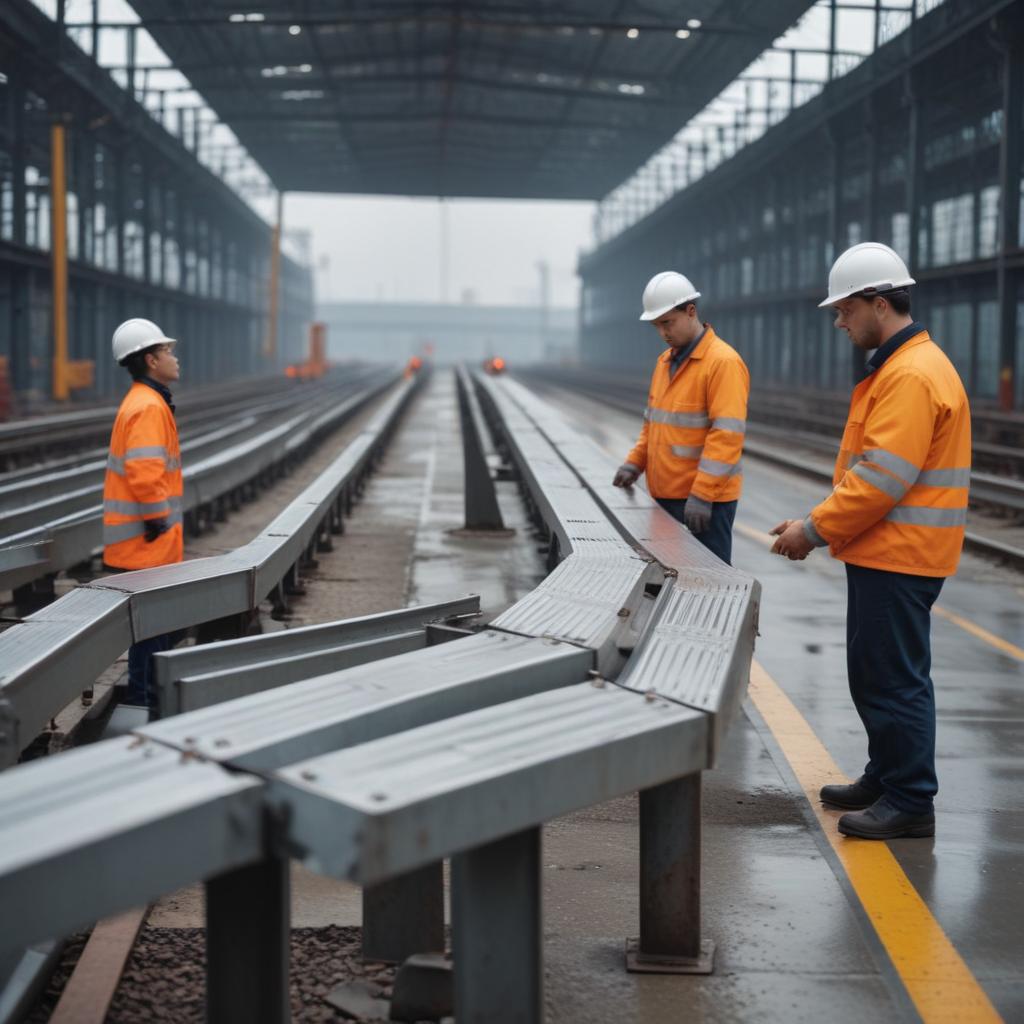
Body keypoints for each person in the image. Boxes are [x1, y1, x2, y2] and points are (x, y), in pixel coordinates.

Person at [770, 242, 971, 840]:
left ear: (877, 304)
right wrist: (815, 520)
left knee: (893, 678)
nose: (839, 321)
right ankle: (886, 776)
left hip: (901, 555)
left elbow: (881, 478)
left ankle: (910, 798)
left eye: (844, 310)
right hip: (889, 550)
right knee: (875, 671)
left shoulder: (909, 374)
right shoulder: (903, 367)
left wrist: (813, 530)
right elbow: (875, 475)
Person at [612, 271, 749, 565]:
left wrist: (701, 495)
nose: (663, 333)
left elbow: (726, 436)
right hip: (665, 497)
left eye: (667, 323)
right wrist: (635, 463)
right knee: (671, 584)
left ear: (691, 312)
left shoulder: (722, 363)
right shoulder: (664, 363)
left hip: (704, 503)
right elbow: (653, 425)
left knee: (707, 585)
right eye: (657, 326)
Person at [102, 318, 184, 710]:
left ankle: (145, 703)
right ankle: (144, 707)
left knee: (151, 632)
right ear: (151, 360)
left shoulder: (143, 400)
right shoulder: (149, 407)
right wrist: (158, 520)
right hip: (146, 543)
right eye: (168, 351)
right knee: (151, 633)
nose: (175, 357)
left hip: (140, 542)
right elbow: (145, 469)